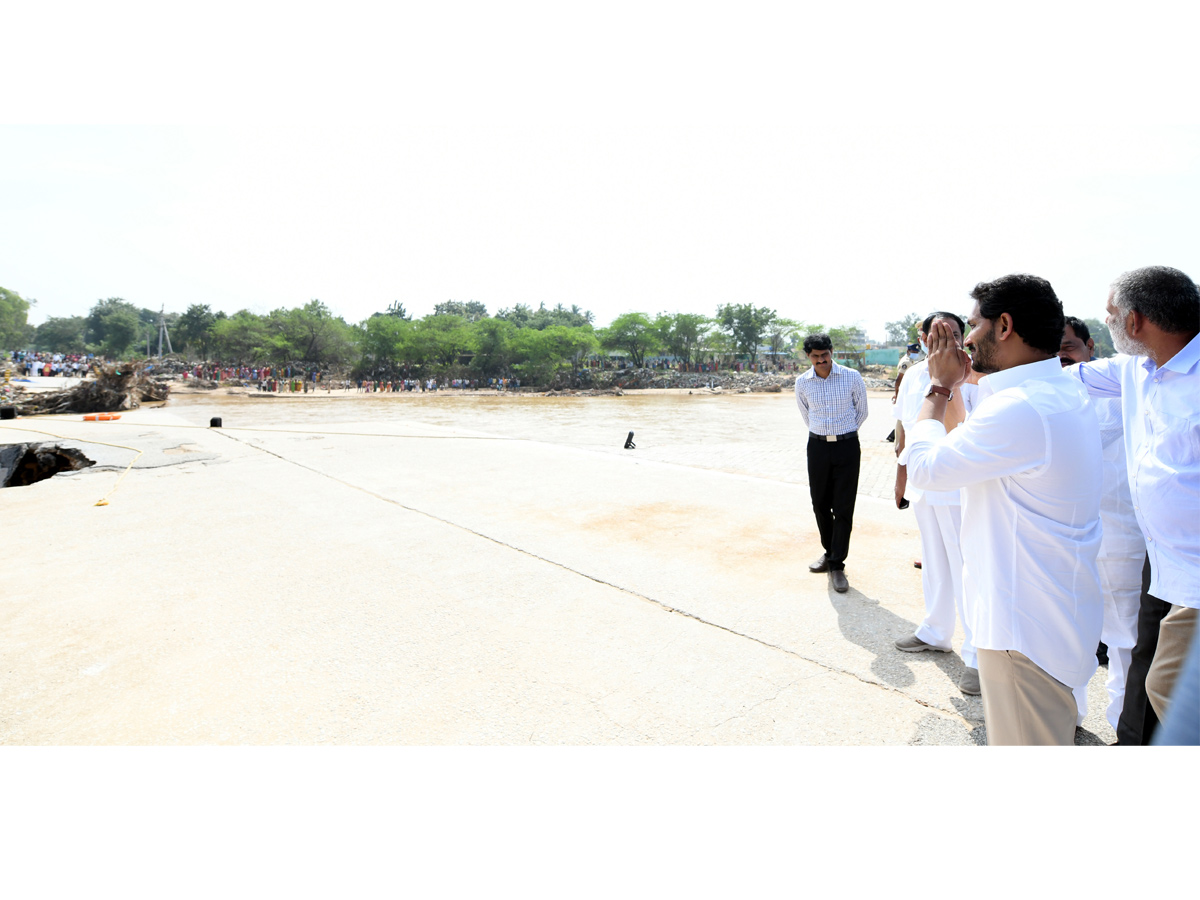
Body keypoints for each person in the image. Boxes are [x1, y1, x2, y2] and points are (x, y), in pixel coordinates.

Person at [906, 274, 1103, 745]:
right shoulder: (1054, 392)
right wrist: (960, 385)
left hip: (1022, 633)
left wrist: (936, 388)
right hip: (1052, 617)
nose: (967, 338)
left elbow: (927, 470)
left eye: (973, 325)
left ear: (1005, 325)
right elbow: (975, 444)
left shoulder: (1021, 408)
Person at [1072, 266, 1199, 743]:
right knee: (1155, 683)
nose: (1106, 322)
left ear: (1135, 321)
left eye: (1109, 314)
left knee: (1166, 687)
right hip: (1162, 567)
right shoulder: (1136, 371)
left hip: (1195, 576)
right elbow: (1067, 380)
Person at [1058, 315, 1144, 731]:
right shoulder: (1046, 400)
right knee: (1070, 632)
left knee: (1125, 638)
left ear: (1090, 347)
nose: (1060, 362)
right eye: (1051, 354)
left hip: (1121, 536)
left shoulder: (1123, 388)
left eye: (1068, 350)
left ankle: (1122, 725)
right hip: (1067, 536)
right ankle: (1069, 714)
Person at [892, 312, 979, 695]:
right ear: (922, 336)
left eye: (955, 334)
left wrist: (950, 380)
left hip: (958, 486)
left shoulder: (973, 374)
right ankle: (936, 631)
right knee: (935, 562)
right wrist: (901, 477)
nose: (946, 342)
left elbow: (957, 423)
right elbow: (904, 430)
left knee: (968, 569)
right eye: (938, 335)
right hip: (924, 486)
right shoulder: (912, 374)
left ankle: (978, 655)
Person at [795, 333, 868, 593]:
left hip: (847, 447)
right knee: (819, 504)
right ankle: (829, 552)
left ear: (831, 352)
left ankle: (837, 564)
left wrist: (844, 434)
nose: (821, 360)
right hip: (817, 447)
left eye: (824, 355)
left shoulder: (851, 376)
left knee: (844, 506)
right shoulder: (802, 382)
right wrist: (824, 436)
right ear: (808, 357)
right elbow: (806, 413)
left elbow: (862, 411)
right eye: (815, 356)